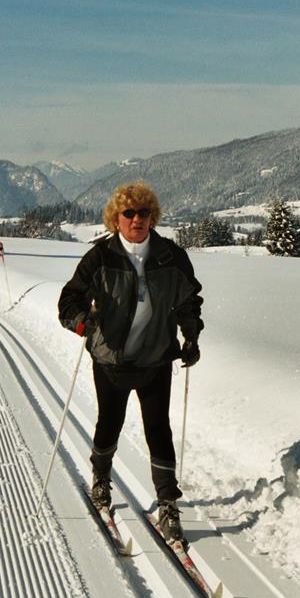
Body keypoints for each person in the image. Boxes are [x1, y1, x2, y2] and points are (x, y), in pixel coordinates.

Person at [58, 182, 203, 545]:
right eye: (129, 213)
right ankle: (100, 479)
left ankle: (168, 503)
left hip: (155, 358)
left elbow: (189, 300)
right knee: (110, 423)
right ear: (116, 218)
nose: (137, 219)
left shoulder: (171, 256)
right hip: (111, 360)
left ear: (153, 217)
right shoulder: (100, 257)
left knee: (159, 429)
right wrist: (84, 324)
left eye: (144, 213)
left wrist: (191, 336)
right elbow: (69, 300)